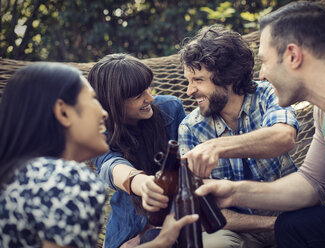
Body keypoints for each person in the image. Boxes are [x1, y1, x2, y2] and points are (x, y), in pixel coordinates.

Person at [194, 2, 325, 248]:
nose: (261, 75)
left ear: (292, 56)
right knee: (291, 228)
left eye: (265, 61)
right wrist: (233, 192)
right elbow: (312, 184)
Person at [0, 62, 197, 248]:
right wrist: (160, 242)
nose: (103, 112)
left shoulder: (16, 177)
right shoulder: (68, 181)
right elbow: (111, 165)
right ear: (63, 112)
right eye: (92, 100)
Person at [177, 25, 299, 248]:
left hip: (295, 204)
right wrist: (275, 224)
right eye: (189, 80)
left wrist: (218, 146)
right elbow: (205, 209)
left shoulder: (268, 94)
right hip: (240, 229)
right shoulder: (190, 128)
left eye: (198, 80)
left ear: (227, 77)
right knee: (214, 245)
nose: (189, 90)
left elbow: (284, 137)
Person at [88, 53, 187, 248]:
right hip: (129, 225)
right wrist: (141, 183)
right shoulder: (99, 133)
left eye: (147, 89)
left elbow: (188, 167)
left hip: (178, 214)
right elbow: (111, 167)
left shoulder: (171, 109)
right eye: (138, 96)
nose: (149, 98)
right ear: (114, 102)